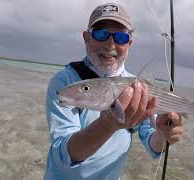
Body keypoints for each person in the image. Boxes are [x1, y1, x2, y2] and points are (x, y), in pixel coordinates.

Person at [44, 3, 183, 180]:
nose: (110, 44)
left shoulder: (139, 87)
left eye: (120, 37)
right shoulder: (65, 83)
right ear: (87, 38)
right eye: (100, 34)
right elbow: (64, 154)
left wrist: (164, 134)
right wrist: (107, 125)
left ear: (129, 43)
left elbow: (152, 143)